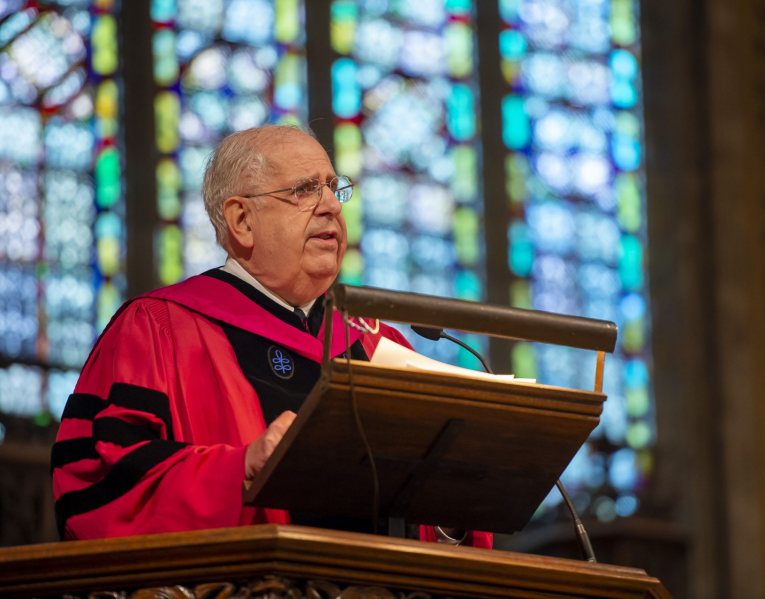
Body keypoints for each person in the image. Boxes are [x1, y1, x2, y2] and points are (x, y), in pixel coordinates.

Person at [51, 125, 491, 549]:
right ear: (241, 220)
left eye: (334, 188)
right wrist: (239, 469)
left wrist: (450, 508)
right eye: (304, 190)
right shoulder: (159, 329)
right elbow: (98, 485)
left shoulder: (381, 346)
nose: (332, 207)